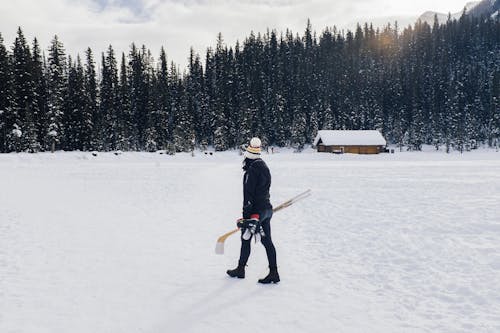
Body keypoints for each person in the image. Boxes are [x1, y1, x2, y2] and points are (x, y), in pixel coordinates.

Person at [226, 137, 280, 284]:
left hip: (256, 213)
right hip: (266, 210)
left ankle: (241, 269)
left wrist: (245, 218)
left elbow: (248, 197)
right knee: (267, 241)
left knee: (245, 239)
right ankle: (273, 272)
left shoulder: (251, 170)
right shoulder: (264, 166)